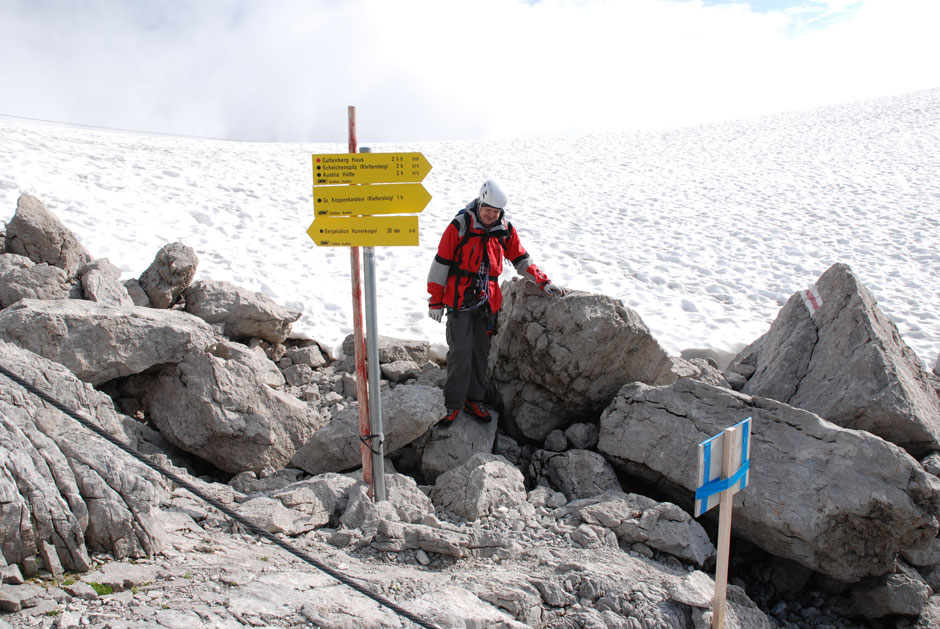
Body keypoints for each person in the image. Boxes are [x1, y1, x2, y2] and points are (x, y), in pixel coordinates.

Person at [427, 179, 566, 426]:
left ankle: (474, 399)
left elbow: (521, 258)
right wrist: (435, 301)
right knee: (460, 352)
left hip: (487, 302)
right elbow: (441, 264)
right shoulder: (459, 226)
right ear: (480, 204)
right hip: (460, 300)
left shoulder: (505, 229)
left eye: (496, 212)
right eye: (488, 210)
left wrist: (544, 281)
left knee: (481, 352)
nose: (491, 216)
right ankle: (452, 403)